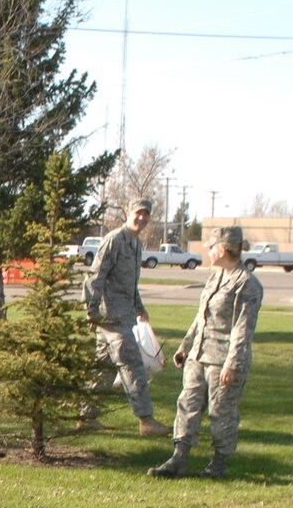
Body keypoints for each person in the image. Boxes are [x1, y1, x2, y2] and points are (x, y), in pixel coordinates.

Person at [152, 225, 261, 480]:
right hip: (198, 356)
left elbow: (243, 329)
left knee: (220, 411)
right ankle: (179, 459)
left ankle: (219, 463)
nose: (208, 251)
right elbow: (201, 317)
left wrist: (232, 364)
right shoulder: (216, 276)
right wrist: (186, 346)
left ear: (222, 249)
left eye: (210, 247)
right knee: (187, 403)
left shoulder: (246, 283)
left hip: (223, 360)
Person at [79, 200, 171, 437]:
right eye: (138, 214)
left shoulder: (135, 243)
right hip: (111, 318)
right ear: (128, 213)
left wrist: (139, 307)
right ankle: (146, 420)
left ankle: (87, 417)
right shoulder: (114, 240)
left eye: (146, 215)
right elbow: (95, 276)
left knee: (103, 368)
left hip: (124, 314)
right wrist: (91, 310)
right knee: (133, 367)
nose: (141, 218)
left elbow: (128, 284)